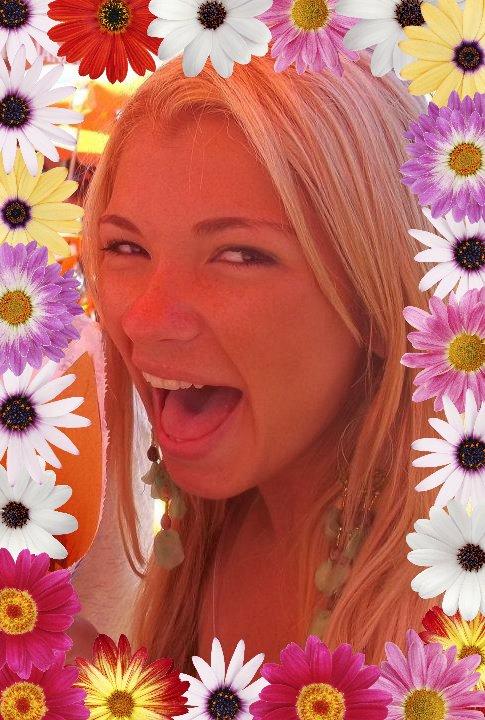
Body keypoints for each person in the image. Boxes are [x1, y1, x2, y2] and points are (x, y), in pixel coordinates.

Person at [74, 48, 436, 673]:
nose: (143, 320)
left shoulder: (450, 622)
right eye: (126, 246)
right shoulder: (217, 527)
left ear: (383, 301)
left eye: (240, 255)